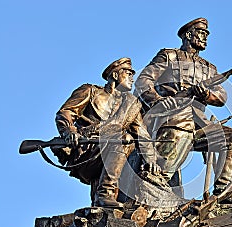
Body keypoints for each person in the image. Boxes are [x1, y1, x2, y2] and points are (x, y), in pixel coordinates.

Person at [134, 18, 232, 206]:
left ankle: (222, 192)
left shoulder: (209, 68)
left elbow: (221, 98)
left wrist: (206, 95)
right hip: (170, 119)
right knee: (163, 169)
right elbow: (144, 81)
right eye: (202, 33)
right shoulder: (169, 56)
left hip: (199, 123)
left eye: (206, 34)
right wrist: (159, 102)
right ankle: (156, 183)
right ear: (189, 35)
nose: (205, 38)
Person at [55, 57, 160, 208]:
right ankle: (105, 193)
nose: (132, 78)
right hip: (87, 151)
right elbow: (65, 112)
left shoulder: (131, 103)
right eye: (128, 74)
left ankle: (112, 200)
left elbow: (142, 135)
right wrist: (69, 131)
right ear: (115, 75)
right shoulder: (90, 91)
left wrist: (151, 160)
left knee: (129, 142)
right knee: (125, 139)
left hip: (113, 150)